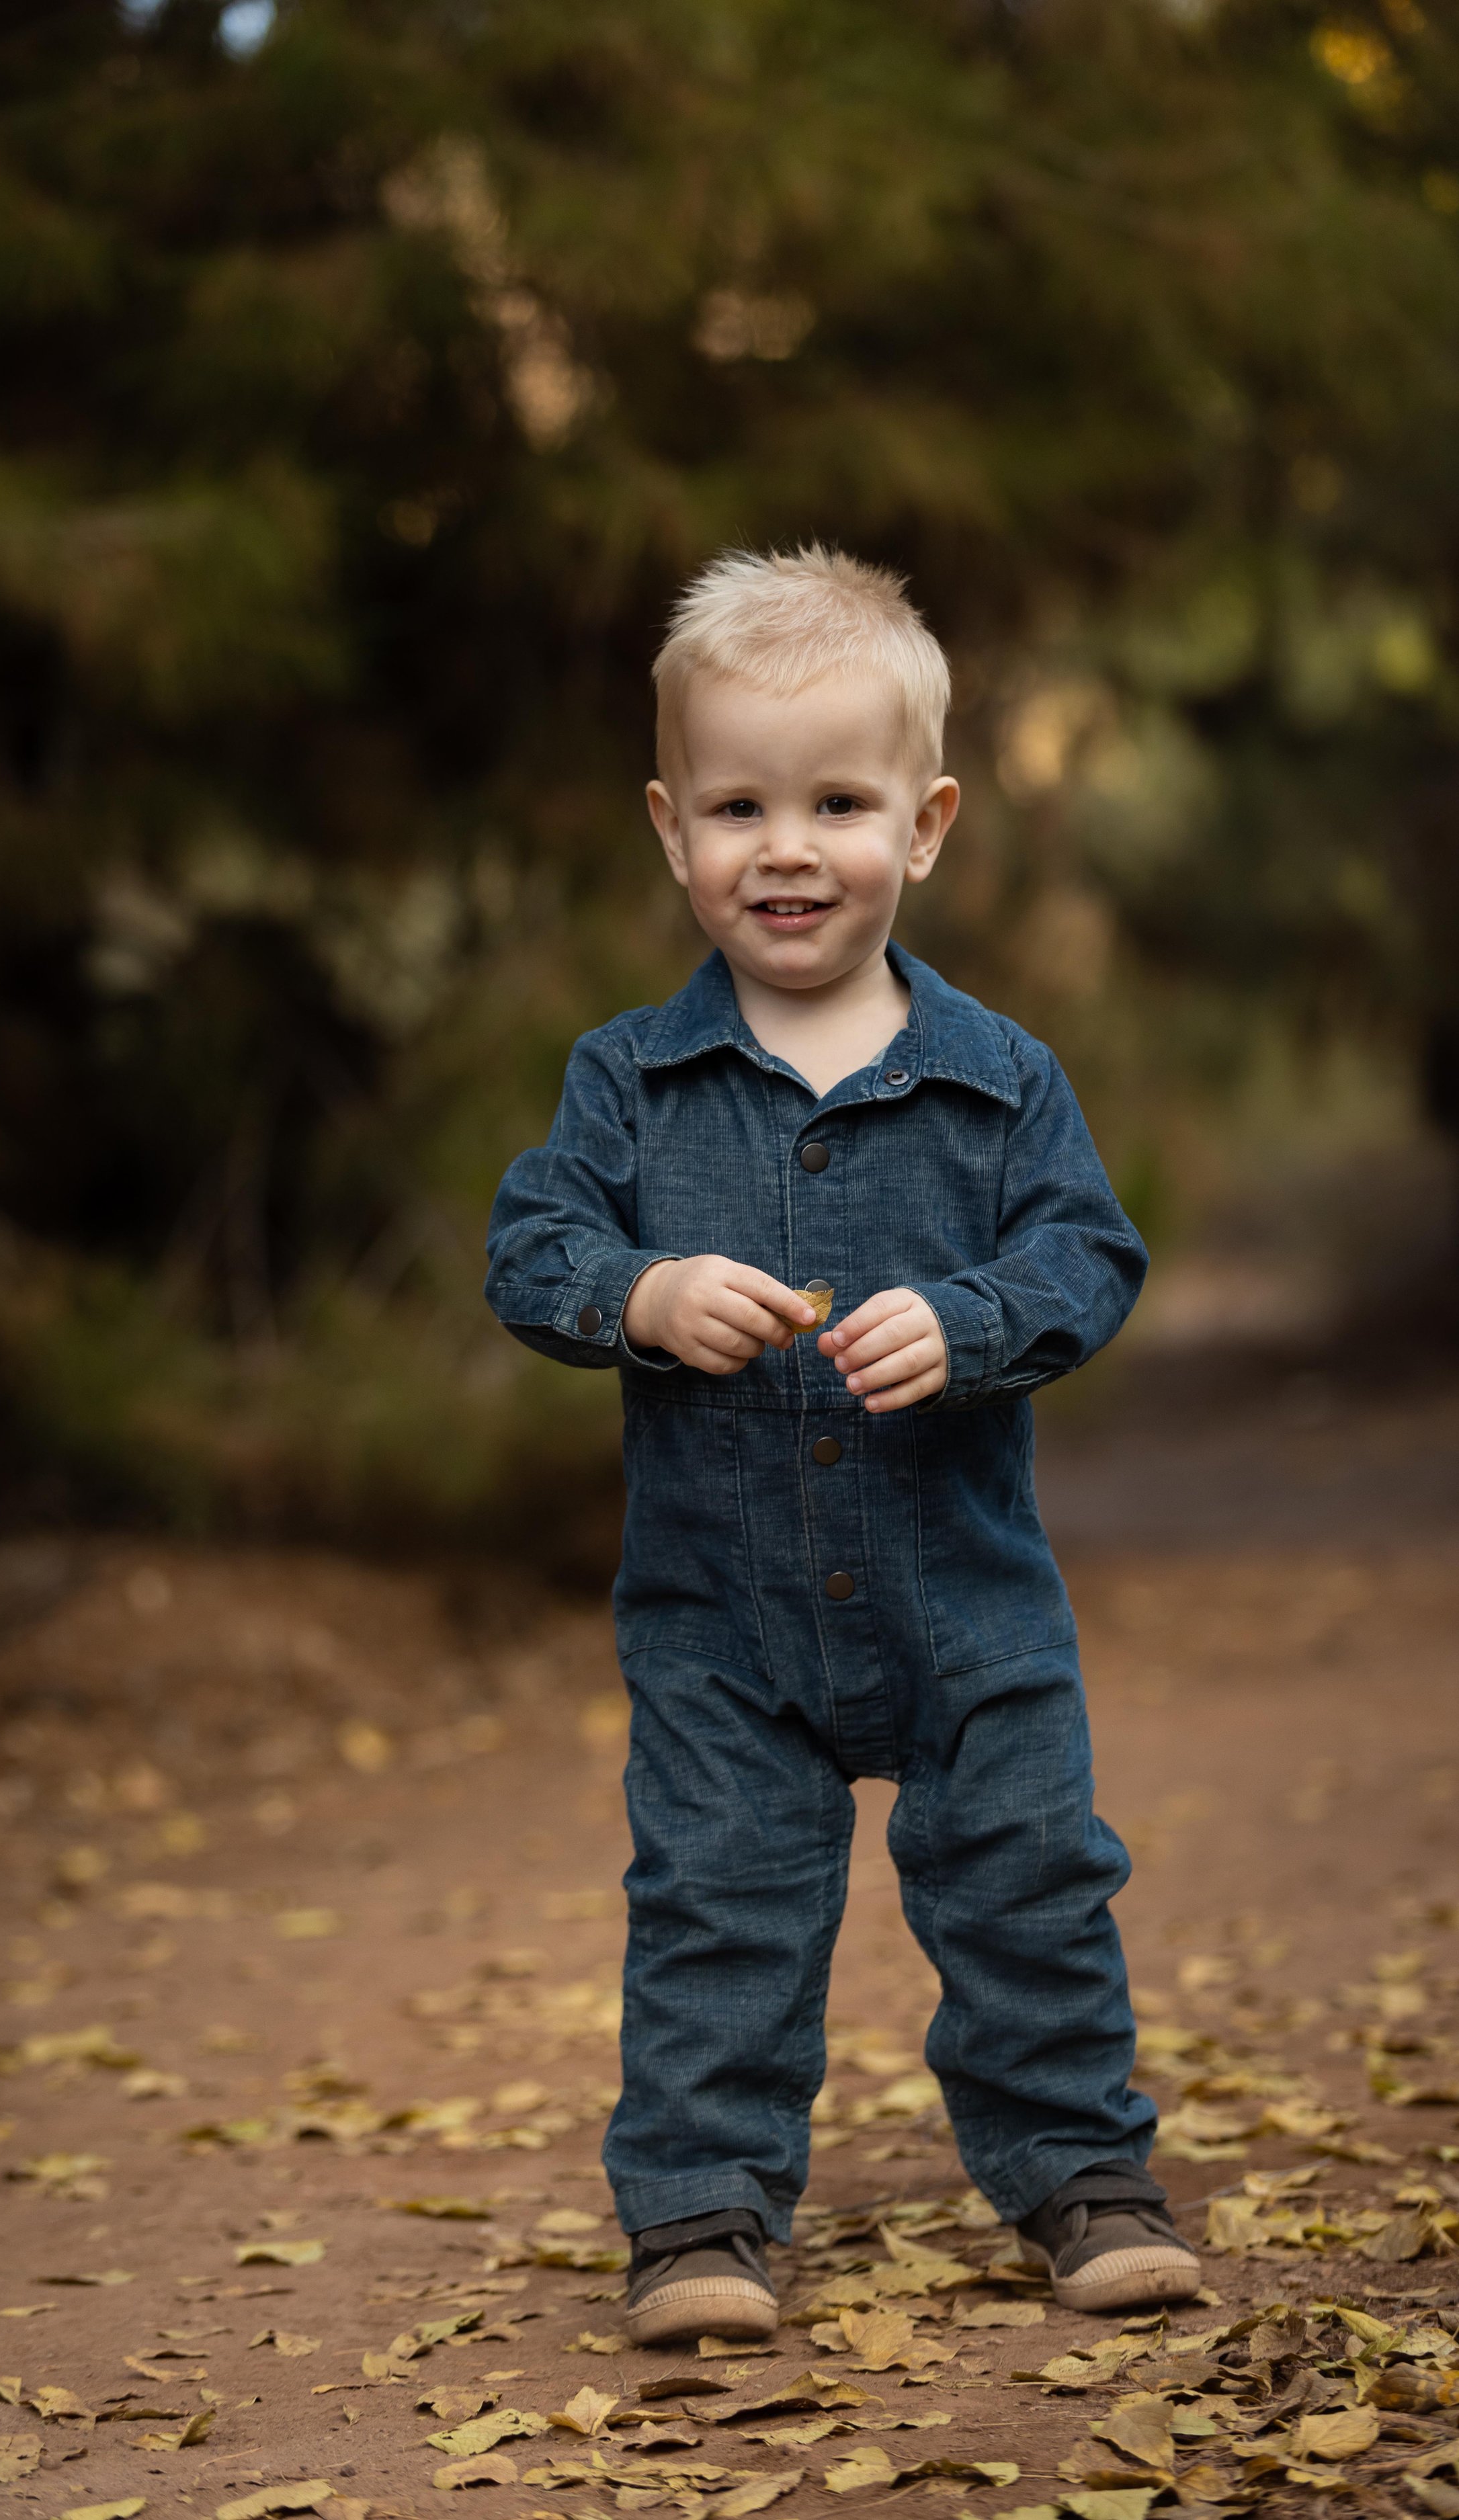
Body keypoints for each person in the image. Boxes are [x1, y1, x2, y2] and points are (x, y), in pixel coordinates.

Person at [484, 544, 1200, 2343]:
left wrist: (972, 1324)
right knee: (716, 1912)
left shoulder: (1002, 1079)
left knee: (1031, 1887)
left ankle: (1083, 2180)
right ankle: (702, 2222)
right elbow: (531, 1246)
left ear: (928, 822)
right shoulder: (623, 1086)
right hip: (721, 1621)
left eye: (834, 802)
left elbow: (1087, 1255)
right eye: (736, 804)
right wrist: (636, 1296)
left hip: (965, 1602)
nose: (783, 847)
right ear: (670, 830)